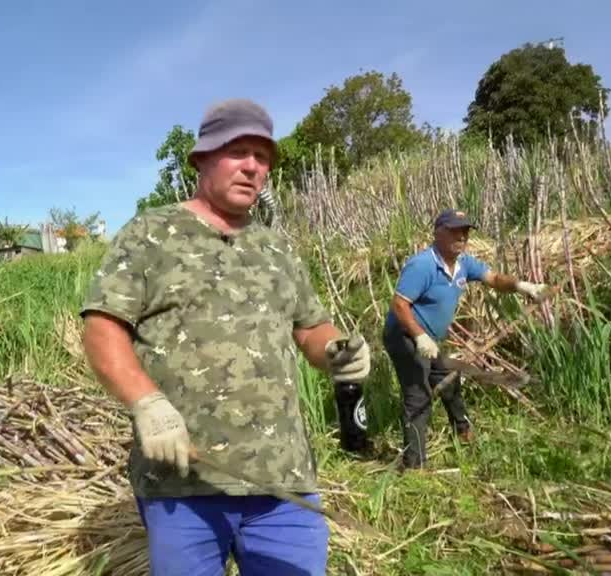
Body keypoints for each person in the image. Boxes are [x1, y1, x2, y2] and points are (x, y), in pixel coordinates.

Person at [80, 98, 370, 576]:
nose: (254, 168)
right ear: (202, 159)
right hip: (183, 486)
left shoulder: (276, 248)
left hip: (284, 485)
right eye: (239, 152)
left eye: (263, 158)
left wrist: (337, 352)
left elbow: (311, 328)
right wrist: (146, 402)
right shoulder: (152, 233)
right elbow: (102, 327)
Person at [382, 209, 548, 470]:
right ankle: (414, 465)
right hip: (403, 335)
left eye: (466, 231)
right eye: (455, 230)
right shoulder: (423, 265)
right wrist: (420, 337)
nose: (462, 236)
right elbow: (399, 305)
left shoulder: (464, 264)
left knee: (448, 378)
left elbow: (494, 279)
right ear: (438, 232)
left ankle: (463, 431)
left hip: (428, 338)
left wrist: (523, 287)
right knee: (418, 393)